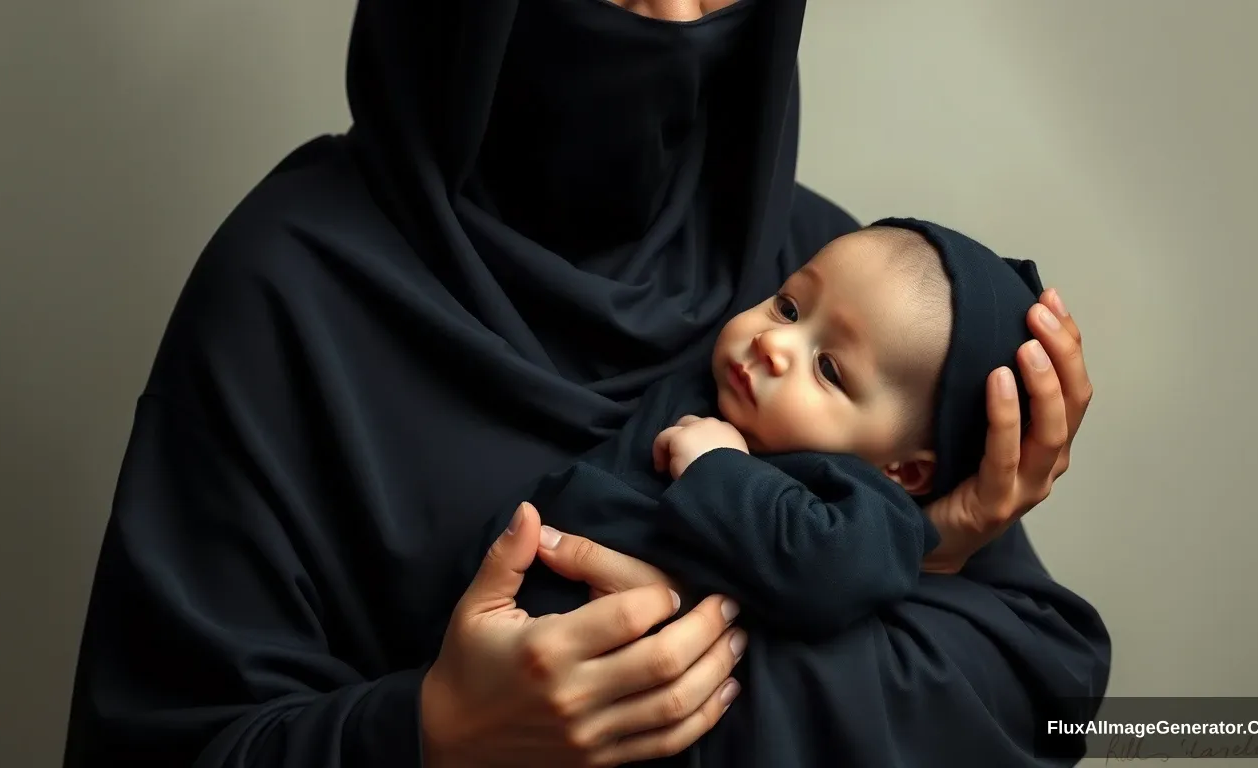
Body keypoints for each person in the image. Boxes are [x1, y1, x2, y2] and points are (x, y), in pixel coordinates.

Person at [62, 1, 1106, 767]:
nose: (675, 16)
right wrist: (429, 735)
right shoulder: (290, 290)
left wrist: (933, 548)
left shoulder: (822, 265)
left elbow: (1046, 695)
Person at [469, 217, 1107, 767]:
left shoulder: (862, 500)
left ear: (904, 472)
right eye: (789, 306)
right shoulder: (720, 385)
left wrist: (717, 467)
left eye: (829, 369)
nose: (774, 344)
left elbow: (833, 571)